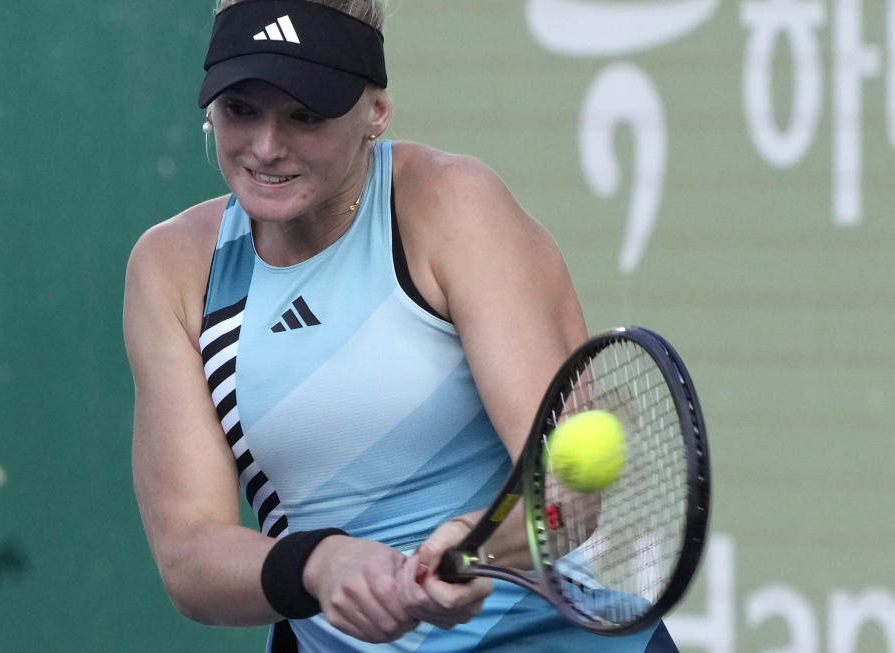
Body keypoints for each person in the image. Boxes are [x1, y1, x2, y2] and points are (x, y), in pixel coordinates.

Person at [123, 0, 680, 650]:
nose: (267, 147)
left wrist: (479, 542)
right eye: (241, 109)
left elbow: (568, 498)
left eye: (306, 114)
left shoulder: (452, 206)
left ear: (375, 113)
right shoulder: (173, 268)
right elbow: (189, 557)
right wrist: (319, 563)